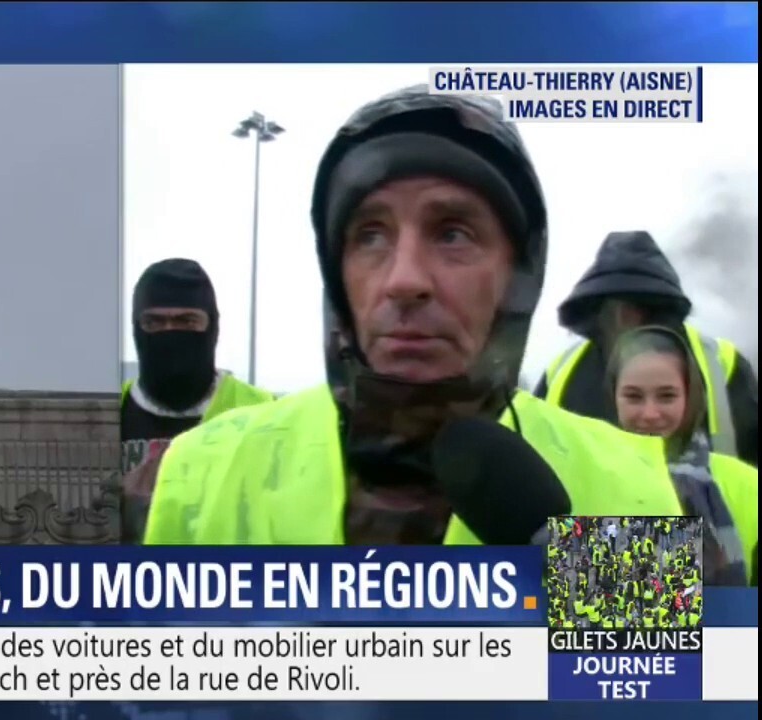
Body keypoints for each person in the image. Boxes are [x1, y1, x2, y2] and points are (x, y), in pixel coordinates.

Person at [142, 86, 684, 547]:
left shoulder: (626, 482)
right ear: (337, 274)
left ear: (517, 276)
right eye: (370, 235)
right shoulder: (199, 472)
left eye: (453, 233)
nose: (404, 280)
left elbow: (637, 675)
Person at [535, 230, 759, 467]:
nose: (622, 320)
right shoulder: (561, 372)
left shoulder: (721, 364)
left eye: (635, 308)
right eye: (611, 310)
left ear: (660, 309)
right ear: (596, 313)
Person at [118, 258, 274, 542]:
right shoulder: (111, 412)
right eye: (154, 322)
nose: (170, 332)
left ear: (212, 327)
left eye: (186, 321)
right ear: (136, 328)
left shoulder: (263, 414)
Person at [609, 325, 758, 586]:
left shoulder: (748, 484)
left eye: (667, 396)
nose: (650, 413)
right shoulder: (588, 474)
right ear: (614, 398)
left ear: (690, 397)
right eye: (634, 397)